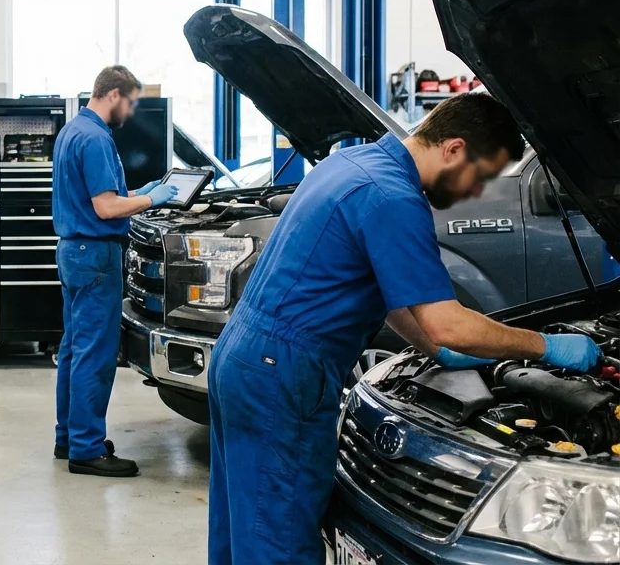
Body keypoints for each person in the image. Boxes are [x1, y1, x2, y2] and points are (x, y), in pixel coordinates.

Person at [207, 93, 603, 564]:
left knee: (243, 525)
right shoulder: (393, 198)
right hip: (284, 372)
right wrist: (545, 346)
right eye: (480, 176)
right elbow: (447, 321)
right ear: (454, 149)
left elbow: (390, 294)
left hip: (245, 357)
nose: (476, 192)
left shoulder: (355, 163)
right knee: (279, 539)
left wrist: (433, 347)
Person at [52, 65, 178, 478]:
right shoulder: (96, 138)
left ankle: (69, 437)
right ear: (114, 95)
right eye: (131, 102)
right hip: (96, 256)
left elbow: (99, 196)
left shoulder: (73, 131)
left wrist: (141, 192)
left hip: (73, 252)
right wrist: (152, 201)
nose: (132, 111)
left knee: (74, 349)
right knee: (96, 353)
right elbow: (106, 208)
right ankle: (87, 449)